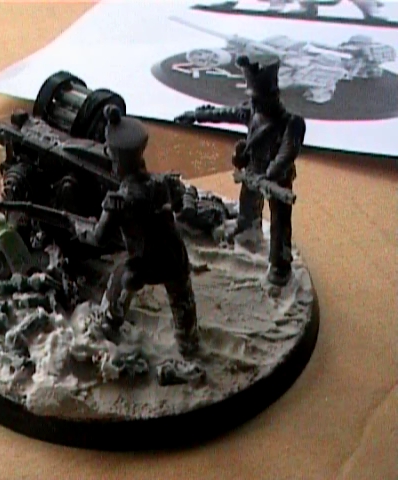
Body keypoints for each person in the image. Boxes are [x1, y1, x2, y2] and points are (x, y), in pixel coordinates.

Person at [77, 105, 199, 356]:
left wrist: (78, 227)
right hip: (174, 256)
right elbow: (186, 197)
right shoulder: (162, 183)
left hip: (142, 265)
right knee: (181, 296)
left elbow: (98, 238)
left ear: (118, 162)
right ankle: (188, 341)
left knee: (119, 278)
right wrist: (185, 207)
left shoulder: (118, 201)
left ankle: (109, 322)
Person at [174, 55, 306, 287]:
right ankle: (248, 230)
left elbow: (287, 153)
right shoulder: (252, 111)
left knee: (280, 222)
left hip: (277, 179)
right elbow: (223, 114)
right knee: (248, 206)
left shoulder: (291, 122)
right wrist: (196, 115)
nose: (253, 102)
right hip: (252, 170)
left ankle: (280, 265)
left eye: (257, 97)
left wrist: (270, 174)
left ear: (272, 96)